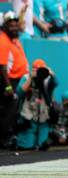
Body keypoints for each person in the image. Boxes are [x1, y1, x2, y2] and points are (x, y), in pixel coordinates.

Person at [0, 12, 29, 148]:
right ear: (5, 26)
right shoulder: (3, 41)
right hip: (9, 81)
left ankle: (10, 136)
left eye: (16, 25)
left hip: (18, 80)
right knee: (8, 111)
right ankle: (3, 139)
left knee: (14, 111)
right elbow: (2, 67)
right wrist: (8, 87)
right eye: (11, 25)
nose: (14, 27)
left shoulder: (15, 40)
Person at [15, 59, 56, 150]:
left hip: (43, 115)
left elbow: (55, 83)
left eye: (41, 70)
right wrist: (30, 78)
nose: (39, 73)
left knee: (43, 146)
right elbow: (19, 93)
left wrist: (52, 75)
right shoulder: (26, 77)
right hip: (28, 115)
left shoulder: (48, 79)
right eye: (37, 70)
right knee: (26, 146)